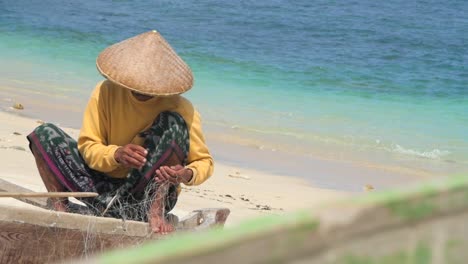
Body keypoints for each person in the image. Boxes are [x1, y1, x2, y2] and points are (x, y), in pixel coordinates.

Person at [27, 30, 214, 234]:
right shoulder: (105, 91)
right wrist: (116, 154)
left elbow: (204, 163)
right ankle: (59, 206)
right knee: (44, 134)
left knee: (173, 122)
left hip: (143, 194)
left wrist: (186, 174)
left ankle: (155, 213)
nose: (142, 90)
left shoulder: (181, 107)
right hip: (98, 188)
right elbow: (88, 147)